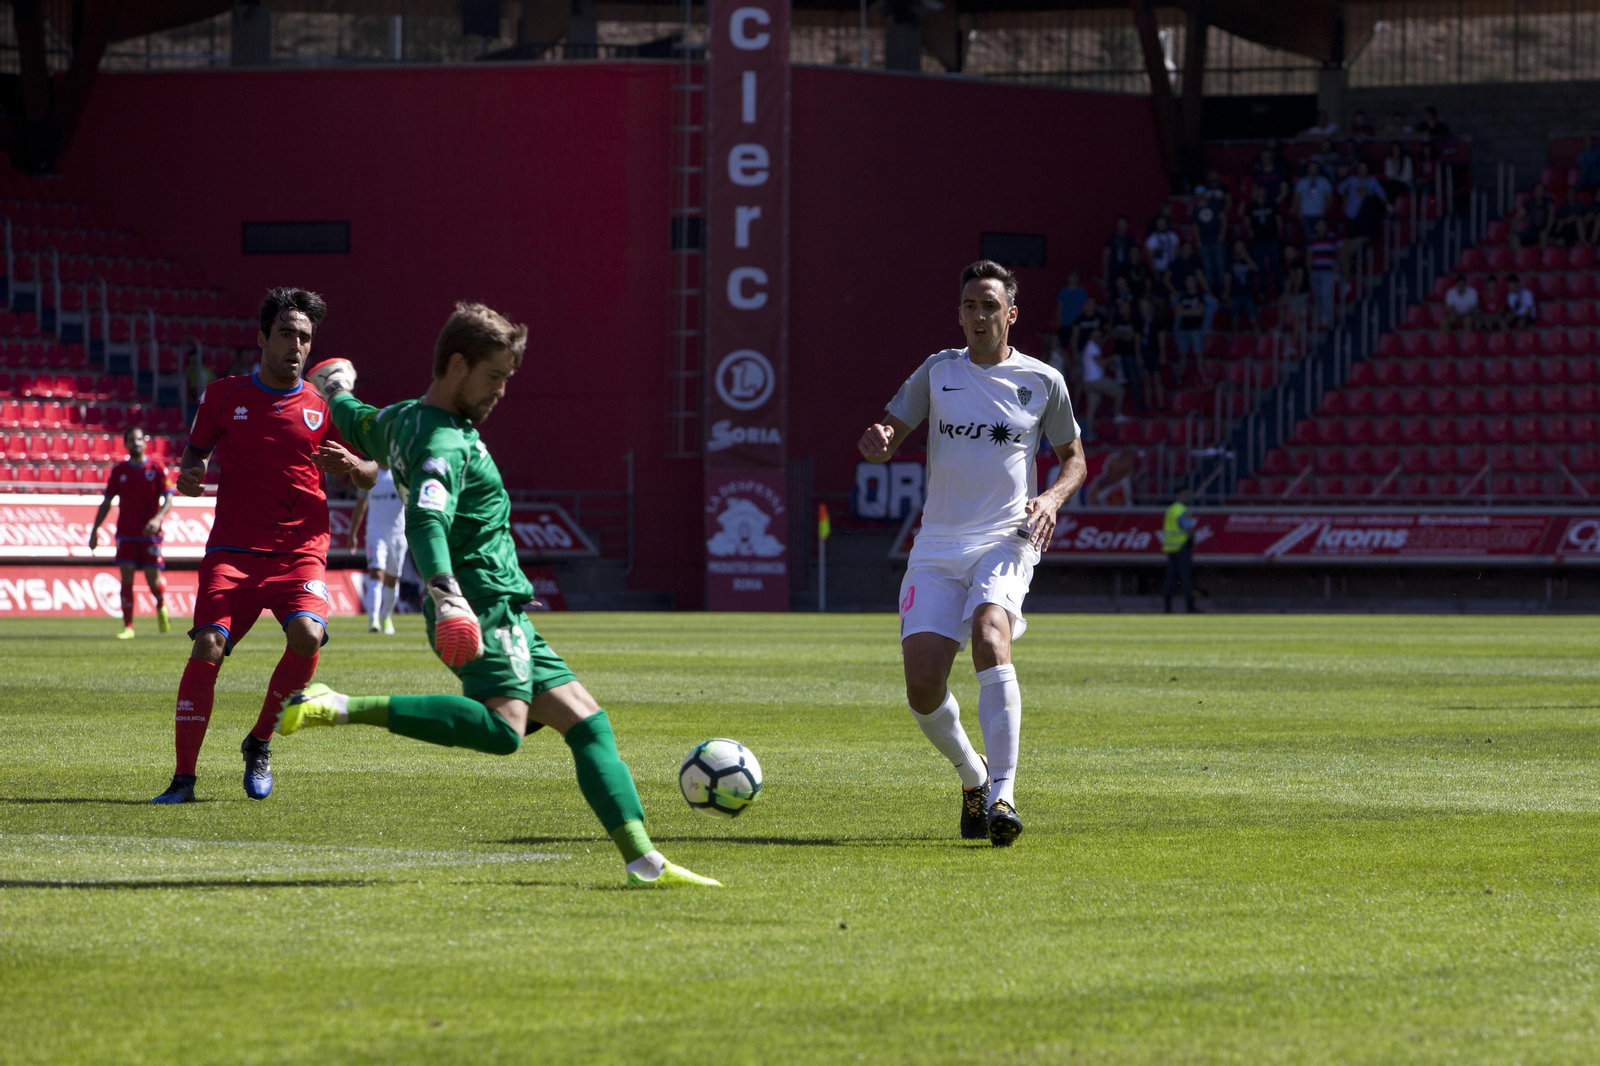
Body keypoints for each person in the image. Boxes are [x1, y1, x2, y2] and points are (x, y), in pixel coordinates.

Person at [279, 302, 720, 888]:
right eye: (494, 377)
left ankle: (645, 862)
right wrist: (447, 595)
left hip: (505, 609)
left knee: (589, 724)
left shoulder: (403, 420)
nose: (502, 392)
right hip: (480, 605)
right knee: (503, 731)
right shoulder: (444, 446)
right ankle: (339, 705)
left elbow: (359, 419)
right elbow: (428, 521)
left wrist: (333, 390)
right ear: (457, 365)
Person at [855, 260, 1087, 847]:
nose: (978, 316)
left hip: (1007, 537)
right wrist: (879, 443)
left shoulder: (1042, 381)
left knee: (990, 635)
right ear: (959, 314)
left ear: (1011, 314)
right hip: (937, 543)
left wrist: (1054, 498)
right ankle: (973, 775)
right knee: (922, 684)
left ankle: (1005, 794)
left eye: (989, 306)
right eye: (969, 306)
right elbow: (888, 433)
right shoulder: (937, 372)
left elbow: (1075, 459)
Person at [150, 287, 379, 805]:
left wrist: (354, 467)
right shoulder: (223, 395)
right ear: (262, 339)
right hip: (233, 549)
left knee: (307, 635)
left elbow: (370, 473)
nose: (295, 346)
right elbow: (194, 458)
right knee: (208, 646)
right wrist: (192, 475)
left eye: (304, 338)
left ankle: (259, 742)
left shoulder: (325, 405)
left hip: (300, 549)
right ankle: (183, 780)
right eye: (286, 334)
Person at [89, 426, 172, 639]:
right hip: (126, 533)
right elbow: (107, 502)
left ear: (144, 442)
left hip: (150, 534)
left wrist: (157, 519)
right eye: (131, 440)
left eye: (139, 439)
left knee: (153, 581)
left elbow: (169, 499)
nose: (136, 443)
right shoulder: (119, 472)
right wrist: (95, 529)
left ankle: (161, 604)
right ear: (125, 444)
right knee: (126, 577)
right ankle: (129, 626)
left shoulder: (157, 468)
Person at [348, 464, 406, 634]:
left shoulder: (401, 473)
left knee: (392, 579)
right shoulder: (369, 472)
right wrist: (352, 533)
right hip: (375, 534)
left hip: (397, 535)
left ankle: (386, 616)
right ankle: (373, 620)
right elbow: (360, 505)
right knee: (375, 572)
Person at [1078, 328, 1125, 434]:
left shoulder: (1090, 346)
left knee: (1092, 409)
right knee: (1120, 391)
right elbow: (1101, 363)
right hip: (1096, 381)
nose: (1098, 338)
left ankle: (1090, 435)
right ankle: (1117, 415)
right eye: (1096, 336)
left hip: (1088, 382)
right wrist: (1113, 358)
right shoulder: (1092, 347)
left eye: (1099, 336)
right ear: (1092, 337)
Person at [1161, 487, 1199, 614]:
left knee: (1170, 579)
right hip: (1182, 546)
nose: (1188, 497)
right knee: (1186, 578)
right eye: (1186, 494)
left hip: (1170, 548)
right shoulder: (1183, 510)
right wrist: (1192, 542)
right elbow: (1189, 530)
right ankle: (1190, 608)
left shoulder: (1170, 510)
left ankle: (1167, 608)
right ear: (1179, 495)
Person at [1307, 217, 1344, 328]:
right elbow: (1309, 256)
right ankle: (1323, 314)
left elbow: (1342, 250)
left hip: (1328, 272)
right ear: (1315, 227)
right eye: (1319, 225)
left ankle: (1327, 317)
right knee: (1318, 296)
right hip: (1315, 272)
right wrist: (1309, 271)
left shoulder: (1333, 237)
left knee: (1326, 294)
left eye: (1323, 224)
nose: (1321, 227)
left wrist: (1338, 264)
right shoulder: (1312, 239)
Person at [1245, 185, 1283, 293]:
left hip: (1272, 238)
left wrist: (1279, 233)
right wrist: (1249, 231)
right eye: (1257, 190)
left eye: (1261, 190)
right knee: (1260, 266)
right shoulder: (1250, 206)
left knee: (1275, 263)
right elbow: (1246, 221)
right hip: (1258, 240)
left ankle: (1279, 289)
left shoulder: (1272, 204)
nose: (1259, 192)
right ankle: (1262, 291)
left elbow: (1278, 219)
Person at [1193, 183, 1229, 296]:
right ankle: (1212, 294)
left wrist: (1222, 235)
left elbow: (1224, 220)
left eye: (1202, 192)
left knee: (1220, 268)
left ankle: (1223, 292)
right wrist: (1198, 241)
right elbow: (1195, 227)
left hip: (1217, 241)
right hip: (1204, 243)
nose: (1200, 194)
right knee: (1208, 271)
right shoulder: (1195, 210)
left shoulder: (1215, 205)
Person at [1340, 161, 1388, 242]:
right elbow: (1340, 189)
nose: (1363, 170)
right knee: (1351, 238)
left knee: (1364, 238)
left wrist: (1388, 206)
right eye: (1361, 168)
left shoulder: (1373, 181)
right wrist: (1345, 199)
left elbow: (1382, 195)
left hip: (1366, 215)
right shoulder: (1351, 180)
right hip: (1351, 213)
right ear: (1358, 169)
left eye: (1365, 168)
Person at [1172, 275, 1208, 383]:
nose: (1190, 283)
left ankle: (1201, 375)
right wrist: (1192, 311)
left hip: (1196, 328)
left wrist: (1186, 312)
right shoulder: (1182, 296)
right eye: (1188, 281)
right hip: (1183, 329)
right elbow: (1178, 312)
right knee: (1183, 354)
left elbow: (1200, 312)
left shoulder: (1200, 296)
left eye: (1192, 280)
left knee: (1198, 352)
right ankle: (1180, 376)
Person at [1110, 298, 1143, 411]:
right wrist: (1124, 335)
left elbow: (1132, 338)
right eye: (1122, 307)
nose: (1124, 309)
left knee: (1134, 380)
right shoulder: (1117, 320)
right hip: (1118, 355)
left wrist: (1121, 335)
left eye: (1126, 307)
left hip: (1131, 354)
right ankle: (1119, 407)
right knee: (1118, 381)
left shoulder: (1135, 320)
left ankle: (1137, 405)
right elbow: (1113, 334)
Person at [1137, 296, 1167, 410]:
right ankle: (1148, 405)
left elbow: (1161, 338)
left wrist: (1162, 354)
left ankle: (1161, 405)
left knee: (1156, 378)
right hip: (1144, 352)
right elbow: (1137, 340)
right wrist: (1139, 355)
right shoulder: (1140, 322)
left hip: (1154, 352)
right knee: (1146, 380)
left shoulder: (1157, 322)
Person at [1225, 241, 1260, 333]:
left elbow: (1256, 269)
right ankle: (1235, 342)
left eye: (1241, 245)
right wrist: (1227, 294)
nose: (1239, 247)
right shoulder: (1231, 260)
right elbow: (1227, 278)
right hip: (1235, 294)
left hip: (1248, 293)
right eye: (1237, 246)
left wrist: (1246, 257)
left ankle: (1258, 342)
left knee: (1253, 319)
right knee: (1234, 320)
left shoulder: (1250, 258)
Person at [1513, 183, 1555, 248]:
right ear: (1535, 191)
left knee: (1543, 236)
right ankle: (1521, 256)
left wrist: (1547, 230)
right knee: (1515, 238)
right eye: (1538, 190)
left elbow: (1551, 216)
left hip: (1544, 230)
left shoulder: (1548, 202)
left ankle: (1542, 257)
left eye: (1541, 191)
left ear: (1544, 192)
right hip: (1532, 230)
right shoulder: (1529, 203)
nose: (1539, 192)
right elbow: (1519, 216)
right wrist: (1512, 230)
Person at [1293, 162, 1334, 226]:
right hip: (1305, 213)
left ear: (1318, 169)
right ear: (1307, 169)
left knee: (1320, 234)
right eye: (1311, 167)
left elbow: (1329, 198)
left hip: (1320, 213)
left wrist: (1325, 210)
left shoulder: (1324, 181)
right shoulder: (1302, 181)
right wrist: (1298, 212)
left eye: (1314, 167)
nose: (1313, 169)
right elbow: (1297, 198)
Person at [1280, 244, 1309, 329]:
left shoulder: (1298, 262)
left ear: (1295, 252)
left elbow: (1299, 278)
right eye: (1286, 252)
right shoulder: (1288, 265)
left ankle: (1295, 340)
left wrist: (1296, 291)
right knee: (1281, 302)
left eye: (1290, 252)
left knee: (1296, 316)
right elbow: (1288, 282)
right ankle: (1282, 326)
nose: (1288, 254)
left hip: (1301, 294)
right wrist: (1286, 294)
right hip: (1293, 294)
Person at [1102, 216, 1136, 283]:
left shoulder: (1130, 239)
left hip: (1127, 268)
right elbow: (1106, 255)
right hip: (1113, 268)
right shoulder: (1111, 239)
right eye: (1120, 224)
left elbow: (1134, 254)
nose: (1122, 226)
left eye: (1124, 224)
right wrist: (1105, 272)